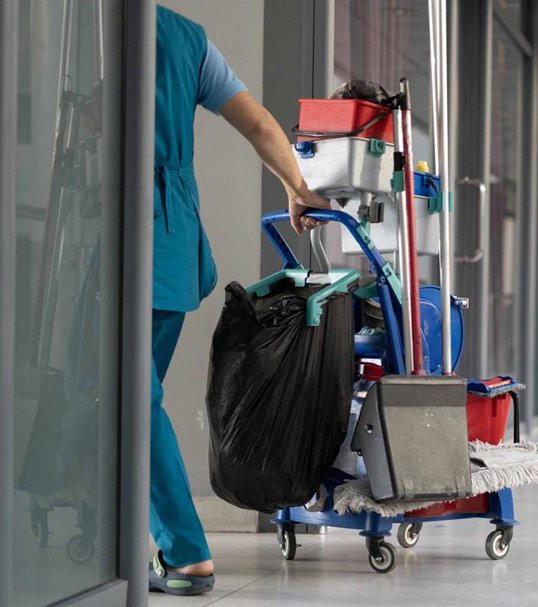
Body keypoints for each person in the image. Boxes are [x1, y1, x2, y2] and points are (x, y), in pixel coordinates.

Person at [148, 6, 328, 596]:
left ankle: (184, 553)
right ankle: (145, 540)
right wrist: (297, 188)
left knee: (126, 398)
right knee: (126, 395)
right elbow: (258, 124)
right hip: (170, 238)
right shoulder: (187, 40)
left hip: (115, 236)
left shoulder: (84, 24)